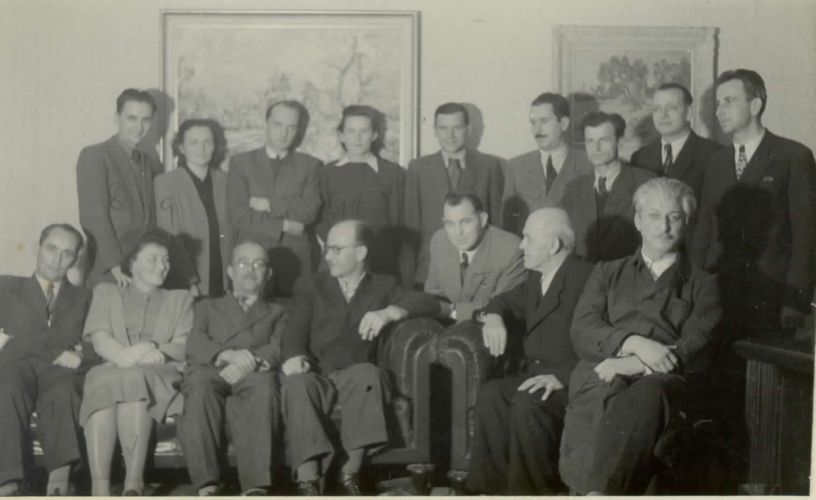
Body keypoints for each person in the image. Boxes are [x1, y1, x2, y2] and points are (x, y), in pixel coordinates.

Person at [559, 178, 722, 495]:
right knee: (604, 393)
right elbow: (583, 328)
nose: (664, 226)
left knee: (648, 394)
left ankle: (601, 493)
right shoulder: (608, 272)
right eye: (654, 216)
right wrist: (633, 344)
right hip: (605, 369)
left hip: (665, 380)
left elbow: (699, 342)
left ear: (686, 223)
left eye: (674, 217)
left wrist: (638, 365)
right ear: (638, 221)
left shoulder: (703, 283)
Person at [281, 220, 439, 495]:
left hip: (356, 374)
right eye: (327, 249)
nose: (328, 256)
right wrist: (293, 356)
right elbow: (294, 331)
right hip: (315, 372)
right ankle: (308, 480)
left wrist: (389, 312)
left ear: (361, 252)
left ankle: (350, 472)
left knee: (369, 373)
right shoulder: (311, 285)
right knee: (297, 384)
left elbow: (428, 302)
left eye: (336, 249)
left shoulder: (384, 285)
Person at [466, 208, 594, 495]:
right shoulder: (538, 278)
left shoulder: (587, 278)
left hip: (571, 382)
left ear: (553, 245)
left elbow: (601, 342)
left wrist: (562, 377)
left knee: (528, 402)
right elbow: (501, 302)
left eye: (528, 238)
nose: (521, 245)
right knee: (491, 395)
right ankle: (489, 492)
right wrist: (494, 318)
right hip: (536, 375)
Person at [692, 69, 815, 335]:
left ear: (755, 105)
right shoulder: (716, 161)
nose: (719, 111)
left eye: (729, 101)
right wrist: (693, 289)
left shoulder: (793, 156)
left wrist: (795, 300)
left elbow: (806, 237)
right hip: (719, 293)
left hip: (771, 295)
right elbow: (704, 230)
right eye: (718, 103)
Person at [79, 230, 193, 496]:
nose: (162, 266)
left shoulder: (180, 298)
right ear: (132, 263)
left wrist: (152, 349)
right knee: (101, 378)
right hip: (114, 367)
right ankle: (100, 489)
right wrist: (133, 354)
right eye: (153, 259)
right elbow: (100, 340)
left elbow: (183, 345)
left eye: (166, 260)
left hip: (160, 371)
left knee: (132, 377)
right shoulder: (106, 292)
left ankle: (133, 485)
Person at [179, 241, 287, 496]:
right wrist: (227, 355)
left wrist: (250, 362)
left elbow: (277, 346)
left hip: (254, 371)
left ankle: (255, 485)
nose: (250, 269)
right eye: (242, 263)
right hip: (213, 368)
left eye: (258, 264)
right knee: (198, 384)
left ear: (269, 273)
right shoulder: (206, 306)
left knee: (264, 385)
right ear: (230, 271)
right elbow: (195, 342)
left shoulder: (278, 311)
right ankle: (207, 483)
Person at [0, 225, 92, 496]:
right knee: (6, 387)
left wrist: (81, 355)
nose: (57, 259)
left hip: (59, 371)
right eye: (51, 249)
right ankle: (7, 483)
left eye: (67, 253)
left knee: (63, 390)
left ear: (75, 260)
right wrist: (53, 349)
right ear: (36, 248)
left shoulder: (84, 297)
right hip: (16, 367)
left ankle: (59, 482)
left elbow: (97, 338)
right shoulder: (6, 288)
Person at [227, 100, 322, 296]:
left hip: (295, 260)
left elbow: (310, 210)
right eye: (278, 125)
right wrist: (284, 225)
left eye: (291, 127)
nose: (283, 133)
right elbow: (238, 215)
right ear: (266, 124)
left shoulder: (311, 165)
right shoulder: (241, 163)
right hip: (253, 260)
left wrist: (269, 204)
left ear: (298, 130)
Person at [405, 102, 504, 286]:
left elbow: (497, 221)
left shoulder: (489, 166)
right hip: (430, 269)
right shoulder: (418, 168)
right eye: (443, 128)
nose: (449, 136)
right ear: (435, 130)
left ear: (468, 129)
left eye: (457, 128)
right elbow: (411, 226)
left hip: (479, 269)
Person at [77, 88, 162, 288]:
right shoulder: (95, 155)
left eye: (146, 120)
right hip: (109, 270)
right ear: (117, 118)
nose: (139, 127)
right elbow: (93, 218)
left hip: (143, 271)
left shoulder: (149, 163)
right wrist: (115, 265)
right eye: (131, 118)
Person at [317, 105, 405, 282]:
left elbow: (397, 223)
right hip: (337, 261)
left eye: (364, 131)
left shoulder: (392, 173)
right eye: (351, 131)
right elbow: (322, 220)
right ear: (342, 135)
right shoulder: (327, 173)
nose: (357, 138)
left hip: (379, 262)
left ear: (374, 135)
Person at [559, 112, 655, 262]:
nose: (596, 148)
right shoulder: (574, 188)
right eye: (590, 141)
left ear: (619, 142)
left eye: (604, 140)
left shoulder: (646, 182)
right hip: (585, 273)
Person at [155, 118, 232, 297]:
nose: (202, 149)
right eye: (194, 143)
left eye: (207, 142)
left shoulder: (226, 181)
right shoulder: (165, 183)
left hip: (224, 275)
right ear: (182, 148)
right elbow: (169, 237)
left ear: (215, 146)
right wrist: (187, 280)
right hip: (189, 278)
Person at [425, 193, 526, 323]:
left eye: (465, 222)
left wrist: (452, 311)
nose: (457, 232)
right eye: (450, 224)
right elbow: (433, 298)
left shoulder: (510, 248)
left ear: (483, 219)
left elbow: (502, 307)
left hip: (490, 329)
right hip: (446, 326)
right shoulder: (439, 241)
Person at [502, 93, 593, 234]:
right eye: (533, 122)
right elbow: (507, 227)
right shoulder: (516, 167)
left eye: (544, 121)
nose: (537, 130)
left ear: (564, 124)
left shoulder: (588, 164)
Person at [631, 83, 723, 201]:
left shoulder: (714, 154)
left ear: (688, 113)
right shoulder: (640, 157)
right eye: (657, 109)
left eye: (671, 108)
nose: (663, 115)